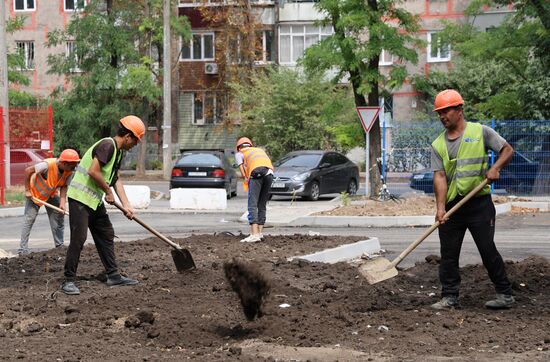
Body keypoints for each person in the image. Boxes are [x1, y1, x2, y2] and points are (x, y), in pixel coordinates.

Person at [430, 89, 515, 310]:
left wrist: (495, 168)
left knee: (487, 249)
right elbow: (439, 177)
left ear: (459, 110)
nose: (442, 116)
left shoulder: (480, 132)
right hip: (452, 207)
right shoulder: (438, 144)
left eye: (446, 110)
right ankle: (449, 297)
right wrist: (440, 209)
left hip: (479, 205)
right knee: (448, 254)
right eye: (439, 112)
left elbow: (507, 150)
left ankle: (505, 294)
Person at [61, 115, 145, 295]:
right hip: (80, 198)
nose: (135, 145)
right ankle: (68, 280)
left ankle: (113, 275)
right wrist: (108, 192)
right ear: (128, 136)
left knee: (106, 233)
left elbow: (115, 179)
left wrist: (127, 204)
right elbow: (93, 171)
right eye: (136, 140)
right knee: (79, 237)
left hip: (93, 200)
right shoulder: (108, 145)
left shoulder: (119, 152)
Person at [18, 149, 80, 254]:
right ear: (64, 163)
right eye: (72, 166)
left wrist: (62, 203)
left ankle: (59, 246)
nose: (74, 169)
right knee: (29, 219)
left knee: (59, 216)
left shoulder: (69, 171)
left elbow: (64, 186)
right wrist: (27, 190)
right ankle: (22, 250)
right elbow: (28, 170)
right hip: (35, 194)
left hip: (50, 194)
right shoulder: (47, 165)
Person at [235, 137, 274, 243]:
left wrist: (245, 177)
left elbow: (242, 169)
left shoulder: (240, 153)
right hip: (269, 173)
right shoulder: (258, 150)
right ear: (250, 145)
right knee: (262, 204)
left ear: (239, 147)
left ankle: (254, 234)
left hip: (256, 173)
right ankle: (260, 233)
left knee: (252, 204)